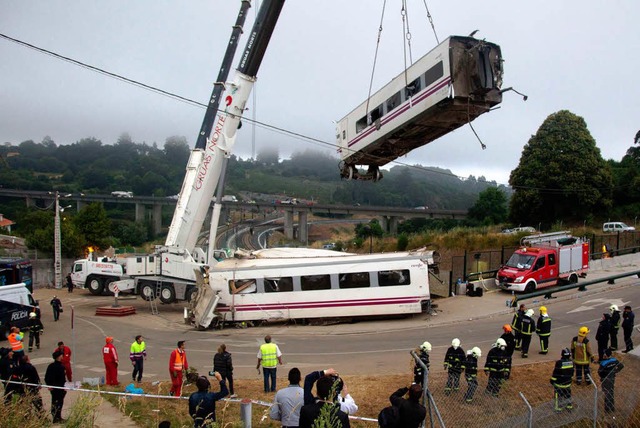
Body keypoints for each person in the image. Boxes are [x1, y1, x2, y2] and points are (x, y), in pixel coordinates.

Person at [598, 348, 624, 413]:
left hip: (605, 380)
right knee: (611, 392)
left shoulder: (603, 363)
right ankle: (612, 407)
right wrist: (615, 371)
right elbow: (621, 366)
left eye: (604, 354)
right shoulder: (614, 360)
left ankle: (607, 409)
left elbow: (599, 372)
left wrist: (602, 377)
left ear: (606, 355)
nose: (603, 355)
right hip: (612, 379)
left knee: (607, 393)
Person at [45, 350, 67, 423]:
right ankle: (57, 417)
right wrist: (64, 387)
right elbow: (62, 379)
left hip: (54, 388)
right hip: (59, 388)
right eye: (61, 355)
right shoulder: (61, 367)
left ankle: (56, 417)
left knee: (54, 402)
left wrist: (49, 385)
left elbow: (46, 377)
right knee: (59, 403)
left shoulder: (51, 366)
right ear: (59, 357)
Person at [550, 348, 574, 413]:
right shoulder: (571, 362)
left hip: (559, 384)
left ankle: (558, 408)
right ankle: (569, 406)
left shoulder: (559, 363)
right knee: (568, 395)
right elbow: (572, 373)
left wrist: (552, 380)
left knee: (558, 396)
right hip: (568, 383)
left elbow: (556, 373)